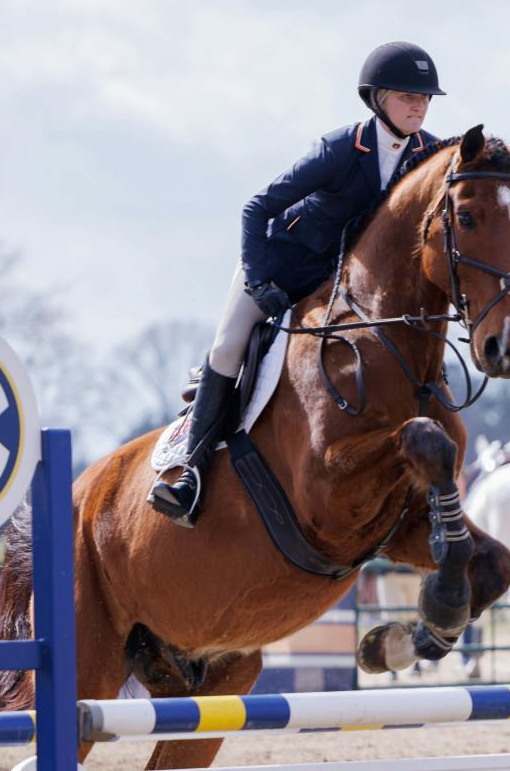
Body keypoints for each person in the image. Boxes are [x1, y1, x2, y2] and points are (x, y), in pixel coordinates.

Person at [147, 42, 445, 525]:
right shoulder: (340, 149)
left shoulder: (428, 155)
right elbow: (256, 208)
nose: (419, 105)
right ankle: (190, 472)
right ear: (378, 98)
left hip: (338, 284)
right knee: (227, 349)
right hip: (280, 264)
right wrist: (261, 278)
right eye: (408, 95)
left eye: (425, 98)